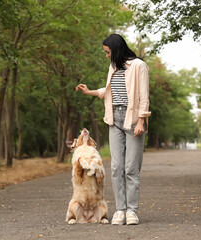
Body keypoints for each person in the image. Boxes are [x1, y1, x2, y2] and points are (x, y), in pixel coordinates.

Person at [76, 33, 151, 225]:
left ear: (116, 50)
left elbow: (143, 96)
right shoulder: (113, 67)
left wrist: (141, 121)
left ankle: (132, 211)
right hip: (114, 119)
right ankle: (120, 210)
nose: (106, 56)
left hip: (133, 119)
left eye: (108, 52)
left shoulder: (139, 66)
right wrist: (89, 91)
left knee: (131, 168)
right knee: (117, 168)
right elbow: (109, 91)